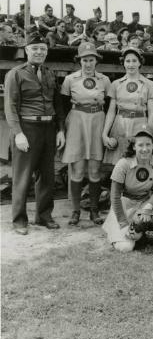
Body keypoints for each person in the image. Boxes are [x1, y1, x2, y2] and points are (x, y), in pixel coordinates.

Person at [4, 32, 66, 235]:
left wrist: (60, 130)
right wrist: (18, 133)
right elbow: (10, 107)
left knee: (47, 176)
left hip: (48, 129)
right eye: (35, 48)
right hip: (27, 129)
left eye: (43, 49)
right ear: (27, 50)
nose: (39, 52)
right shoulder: (15, 73)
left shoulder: (49, 73)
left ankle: (44, 216)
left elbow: (57, 104)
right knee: (22, 176)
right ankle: (19, 219)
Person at [60, 42, 111, 225]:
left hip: (97, 120)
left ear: (96, 61)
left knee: (95, 169)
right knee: (78, 168)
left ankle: (94, 210)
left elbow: (110, 103)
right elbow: (63, 106)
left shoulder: (104, 80)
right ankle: (75, 211)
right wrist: (62, 130)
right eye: (84, 60)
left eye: (91, 60)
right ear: (79, 60)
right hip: (77, 120)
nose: (88, 64)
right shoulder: (70, 79)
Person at [102, 125, 153, 253]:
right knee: (125, 248)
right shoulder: (123, 163)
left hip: (145, 202)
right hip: (125, 204)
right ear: (133, 146)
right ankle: (120, 230)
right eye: (140, 145)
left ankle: (139, 230)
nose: (145, 149)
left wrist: (148, 207)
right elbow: (115, 196)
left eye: (148, 145)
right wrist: (123, 223)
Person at [102, 47, 153, 165]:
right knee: (118, 164)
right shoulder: (116, 84)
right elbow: (111, 111)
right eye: (128, 61)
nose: (131, 64)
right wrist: (105, 134)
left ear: (140, 63)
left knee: (137, 161)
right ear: (123, 63)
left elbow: (152, 113)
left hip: (140, 124)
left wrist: (149, 133)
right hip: (120, 124)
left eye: (134, 61)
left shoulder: (149, 84)